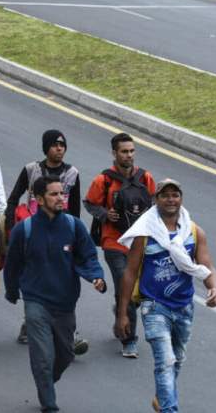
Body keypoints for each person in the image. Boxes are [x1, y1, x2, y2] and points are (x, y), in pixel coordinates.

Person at [115, 179, 216, 413]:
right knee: (165, 361)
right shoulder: (145, 234)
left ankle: (161, 399)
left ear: (181, 198)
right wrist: (122, 314)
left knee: (178, 359)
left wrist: (213, 288)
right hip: (154, 306)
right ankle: (169, 408)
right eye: (165, 196)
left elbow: (207, 265)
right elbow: (129, 273)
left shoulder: (193, 232)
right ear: (156, 200)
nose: (171, 200)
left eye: (175, 195)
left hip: (184, 306)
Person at [4, 176, 107, 413]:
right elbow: (13, 264)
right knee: (42, 357)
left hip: (65, 303)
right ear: (39, 199)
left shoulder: (74, 226)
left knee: (65, 354)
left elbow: (88, 256)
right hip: (35, 301)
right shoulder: (25, 229)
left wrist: (96, 276)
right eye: (54, 194)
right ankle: (49, 404)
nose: (61, 198)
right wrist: (12, 291)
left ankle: (46, 382)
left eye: (62, 193)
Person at [5, 130, 87, 352]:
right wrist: (11, 230)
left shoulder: (72, 173)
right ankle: (30, 323)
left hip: (62, 236)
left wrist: (77, 238)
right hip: (35, 235)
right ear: (46, 148)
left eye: (63, 145)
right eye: (55, 144)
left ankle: (69, 332)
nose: (59, 148)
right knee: (35, 280)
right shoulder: (32, 170)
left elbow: (76, 211)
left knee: (64, 281)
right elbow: (13, 199)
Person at [84, 132, 156, 359]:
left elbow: (155, 204)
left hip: (139, 243)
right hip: (113, 241)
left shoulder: (146, 178)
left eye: (132, 151)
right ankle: (129, 339)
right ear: (114, 153)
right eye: (124, 151)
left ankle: (121, 312)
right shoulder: (103, 180)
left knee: (135, 290)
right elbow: (89, 203)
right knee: (125, 284)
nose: (129, 155)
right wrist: (106, 214)